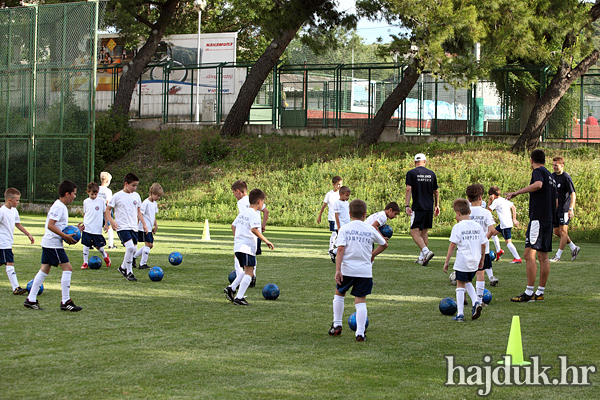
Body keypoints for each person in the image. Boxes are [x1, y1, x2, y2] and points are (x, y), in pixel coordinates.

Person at [328, 199, 388, 341]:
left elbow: (341, 249)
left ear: (349, 213)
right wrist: (372, 255)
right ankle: (360, 333)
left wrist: (338, 270)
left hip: (347, 270)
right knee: (360, 301)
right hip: (364, 271)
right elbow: (384, 244)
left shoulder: (345, 229)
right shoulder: (370, 229)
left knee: (339, 294)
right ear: (365, 214)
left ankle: (337, 325)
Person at [506, 149, 557, 302]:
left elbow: (538, 185)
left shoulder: (538, 172)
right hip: (548, 220)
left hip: (538, 220)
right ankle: (539, 292)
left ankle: (529, 293)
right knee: (543, 256)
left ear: (531, 160)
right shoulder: (551, 176)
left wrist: (517, 192)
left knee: (529, 255)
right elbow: (555, 201)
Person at [24, 180, 83, 311]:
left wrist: (77, 230)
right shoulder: (58, 206)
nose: (75, 196)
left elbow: (60, 226)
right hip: (53, 244)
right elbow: (50, 225)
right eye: (74, 194)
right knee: (68, 268)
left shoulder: (61, 206)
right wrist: (65, 236)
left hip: (50, 243)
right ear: (67, 194)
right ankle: (65, 302)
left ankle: (31, 299)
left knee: (44, 269)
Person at [224, 189, 274, 306]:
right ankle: (239, 297)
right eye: (263, 202)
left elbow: (233, 226)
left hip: (238, 246)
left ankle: (231, 288)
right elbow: (254, 229)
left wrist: (238, 238)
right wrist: (266, 241)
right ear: (259, 201)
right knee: (250, 273)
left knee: (247, 270)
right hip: (247, 247)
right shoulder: (255, 214)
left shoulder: (243, 212)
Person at [443, 198, 486, 322]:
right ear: (470, 211)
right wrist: (482, 258)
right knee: (467, 282)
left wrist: (446, 261)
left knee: (460, 285)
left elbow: (452, 245)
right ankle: (476, 302)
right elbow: (483, 244)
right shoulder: (478, 226)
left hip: (462, 261)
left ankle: (460, 313)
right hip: (475, 261)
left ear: (458, 213)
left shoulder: (458, 227)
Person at [105, 173, 148, 282]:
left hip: (134, 227)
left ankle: (122, 267)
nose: (135, 188)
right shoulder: (117, 196)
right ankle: (129, 272)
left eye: (136, 186)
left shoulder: (136, 196)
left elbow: (139, 211)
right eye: (133, 185)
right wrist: (111, 221)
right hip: (122, 227)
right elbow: (108, 210)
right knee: (129, 248)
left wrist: (143, 223)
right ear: (126, 184)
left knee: (133, 249)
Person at [231, 180, 268, 287]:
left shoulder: (242, 203)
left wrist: (238, 239)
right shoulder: (254, 199)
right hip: (257, 235)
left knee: (238, 259)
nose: (234, 195)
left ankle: (239, 281)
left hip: (246, 236)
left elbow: (240, 221)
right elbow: (266, 211)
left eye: (234, 193)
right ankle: (252, 277)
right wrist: (263, 226)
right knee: (252, 256)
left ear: (238, 191)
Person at [405, 153, 439, 266]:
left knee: (414, 231)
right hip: (429, 206)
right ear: (425, 162)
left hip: (418, 206)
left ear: (415, 162)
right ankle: (422, 258)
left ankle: (426, 251)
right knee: (424, 231)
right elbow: (436, 191)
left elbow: (408, 189)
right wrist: (437, 205)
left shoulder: (411, 173)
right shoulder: (432, 173)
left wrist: (406, 205)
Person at [467, 185, 498, 304]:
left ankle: (464, 298)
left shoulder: (466, 212)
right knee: (481, 273)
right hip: (482, 249)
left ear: (468, 199)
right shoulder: (486, 213)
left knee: (465, 274)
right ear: (481, 197)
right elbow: (491, 230)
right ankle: (479, 300)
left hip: (468, 248)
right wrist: (483, 240)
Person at [1, 188, 34, 295]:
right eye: (17, 200)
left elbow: (17, 224)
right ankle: (16, 287)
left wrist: (28, 234)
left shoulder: (14, 211)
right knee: (10, 263)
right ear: (9, 200)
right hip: (3, 243)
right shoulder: (2, 211)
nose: (18, 202)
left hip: (7, 242)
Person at [550, 156, 580, 262]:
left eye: (556, 165)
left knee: (563, 232)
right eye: (553, 165)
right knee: (557, 232)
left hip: (565, 208)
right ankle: (573, 247)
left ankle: (558, 256)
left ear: (562, 165)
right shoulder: (552, 176)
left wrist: (571, 208)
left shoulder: (566, 177)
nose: (554, 167)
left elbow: (573, 194)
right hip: (555, 209)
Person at [80, 182, 111, 269]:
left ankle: (105, 256)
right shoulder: (85, 202)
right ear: (88, 192)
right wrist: (83, 224)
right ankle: (85, 262)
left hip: (97, 228)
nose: (94, 196)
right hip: (87, 227)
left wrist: (106, 224)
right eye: (92, 194)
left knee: (99, 247)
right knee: (86, 245)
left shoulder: (101, 201)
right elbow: (85, 213)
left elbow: (105, 213)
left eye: (95, 194)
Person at [133, 183, 164, 269]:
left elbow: (153, 216)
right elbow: (140, 214)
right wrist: (141, 225)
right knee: (147, 244)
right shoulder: (145, 203)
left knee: (150, 246)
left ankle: (133, 257)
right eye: (157, 195)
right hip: (144, 228)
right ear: (151, 193)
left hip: (149, 228)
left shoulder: (154, 204)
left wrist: (156, 226)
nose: (158, 198)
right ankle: (142, 264)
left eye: (159, 196)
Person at [488, 186, 522, 263]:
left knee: (508, 242)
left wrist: (490, 201)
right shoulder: (504, 199)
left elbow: (488, 212)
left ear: (493, 195)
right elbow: (513, 207)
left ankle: (517, 258)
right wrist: (514, 219)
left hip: (505, 225)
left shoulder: (496, 201)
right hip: (507, 223)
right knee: (492, 234)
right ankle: (499, 250)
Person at [317, 176, 343, 253]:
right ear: (333, 184)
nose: (340, 186)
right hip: (332, 217)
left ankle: (335, 245)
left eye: (341, 184)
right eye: (338, 184)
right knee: (334, 233)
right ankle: (331, 248)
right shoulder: (329, 194)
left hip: (340, 217)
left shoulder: (341, 194)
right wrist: (319, 216)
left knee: (340, 232)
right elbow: (324, 206)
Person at [329, 186, 351, 263]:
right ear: (341, 194)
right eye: (346, 195)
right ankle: (337, 254)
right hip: (341, 226)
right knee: (343, 242)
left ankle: (334, 252)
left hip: (347, 225)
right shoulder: (337, 203)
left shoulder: (346, 203)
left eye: (349, 196)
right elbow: (336, 215)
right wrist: (338, 226)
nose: (348, 197)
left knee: (348, 242)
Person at [98, 171, 116, 249]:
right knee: (109, 227)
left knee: (99, 227)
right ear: (108, 181)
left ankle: (97, 242)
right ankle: (110, 244)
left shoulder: (97, 189)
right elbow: (108, 202)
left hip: (97, 209)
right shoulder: (108, 191)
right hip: (106, 209)